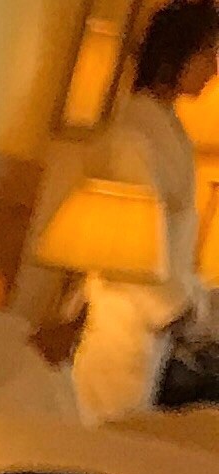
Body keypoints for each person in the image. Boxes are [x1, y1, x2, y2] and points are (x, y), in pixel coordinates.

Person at [79, 0, 219, 419]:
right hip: (123, 322)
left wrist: (197, 302)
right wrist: (182, 310)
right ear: (177, 54)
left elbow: (172, 249)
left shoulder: (166, 128)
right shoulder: (134, 137)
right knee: (106, 429)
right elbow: (128, 254)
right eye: (208, 54)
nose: (214, 69)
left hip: (151, 327)